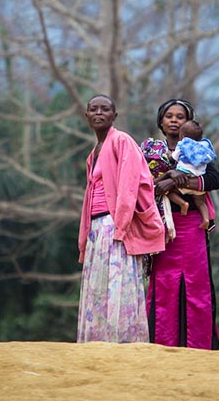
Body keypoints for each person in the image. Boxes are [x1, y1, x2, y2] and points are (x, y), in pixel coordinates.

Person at [76, 94, 166, 343]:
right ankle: (97, 340)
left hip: (115, 225)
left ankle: (122, 340)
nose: (98, 113)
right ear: (86, 116)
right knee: (98, 285)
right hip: (97, 227)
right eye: (93, 109)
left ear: (114, 115)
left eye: (105, 109)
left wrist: (122, 226)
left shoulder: (122, 141)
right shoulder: (93, 152)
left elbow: (129, 186)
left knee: (118, 285)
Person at [142, 99, 219, 349]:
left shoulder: (198, 150)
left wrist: (178, 181)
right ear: (161, 121)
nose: (174, 120)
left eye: (180, 116)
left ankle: (198, 344)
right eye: (169, 116)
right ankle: (160, 341)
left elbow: (215, 179)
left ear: (189, 122)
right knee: (164, 283)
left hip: (192, 226)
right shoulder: (148, 149)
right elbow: (140, 181)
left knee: (196, 282)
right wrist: (164, 181)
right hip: (161, 226)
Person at [171, 119, 217, 229]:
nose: (174, 120)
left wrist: (170, 156)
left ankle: (182, 203)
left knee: (169, 191)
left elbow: (174, 157)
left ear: (182, 136)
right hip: (198, 183)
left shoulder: (182, 145)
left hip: (183, 178)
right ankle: (206, 219)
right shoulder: (204, 147)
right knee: (201, 203)